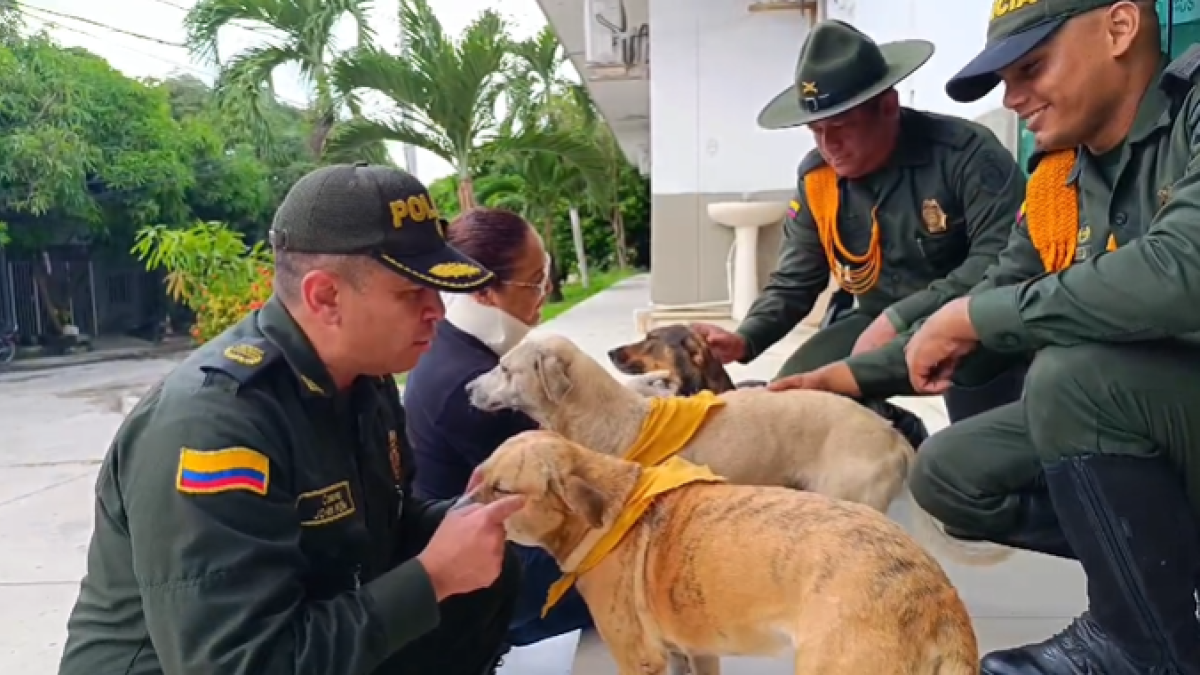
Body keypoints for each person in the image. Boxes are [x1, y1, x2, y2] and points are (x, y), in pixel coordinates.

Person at [831, 1, 1200, 671]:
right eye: (1005, 77)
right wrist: (852, 375)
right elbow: (996, 298)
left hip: (1167, 401)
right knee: (949, 473)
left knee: (1072, 377)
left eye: (1032, 66)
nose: (1013, 97)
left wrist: (977, 319)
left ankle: (1136, 641)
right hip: (1158, 416)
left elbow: (1183, 271)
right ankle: (1157, 593)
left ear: (1121, 28)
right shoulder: (1061, 177)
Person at [57, 163, 526, 675]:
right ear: (325, 297)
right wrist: (432, 577)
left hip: (297, 633)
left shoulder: (362, 380)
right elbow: (239, 663)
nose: (436, 310)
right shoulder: (214, 427)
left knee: (492, 569)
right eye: (411, 293)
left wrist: (470, 514)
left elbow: (382, 528)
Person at [691, 19, 1026, 445]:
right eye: (817, 130)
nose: (828, 145)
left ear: (888, 106)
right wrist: (744, 338)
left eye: (842, 125)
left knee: (978, 451)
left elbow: (1001, 258)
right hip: (872, 321)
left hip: (969, 320)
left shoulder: (964, 154)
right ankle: (898, 432)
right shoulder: (818, 178)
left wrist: (902, 317)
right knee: (790, 405)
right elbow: (797, 279)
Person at [404, 207, 594, 646]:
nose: (543, 295)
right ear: (485, 292)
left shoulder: (459, 346)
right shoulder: (471, 386)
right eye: (534, 282)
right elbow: (572, 477)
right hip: (486, 579)